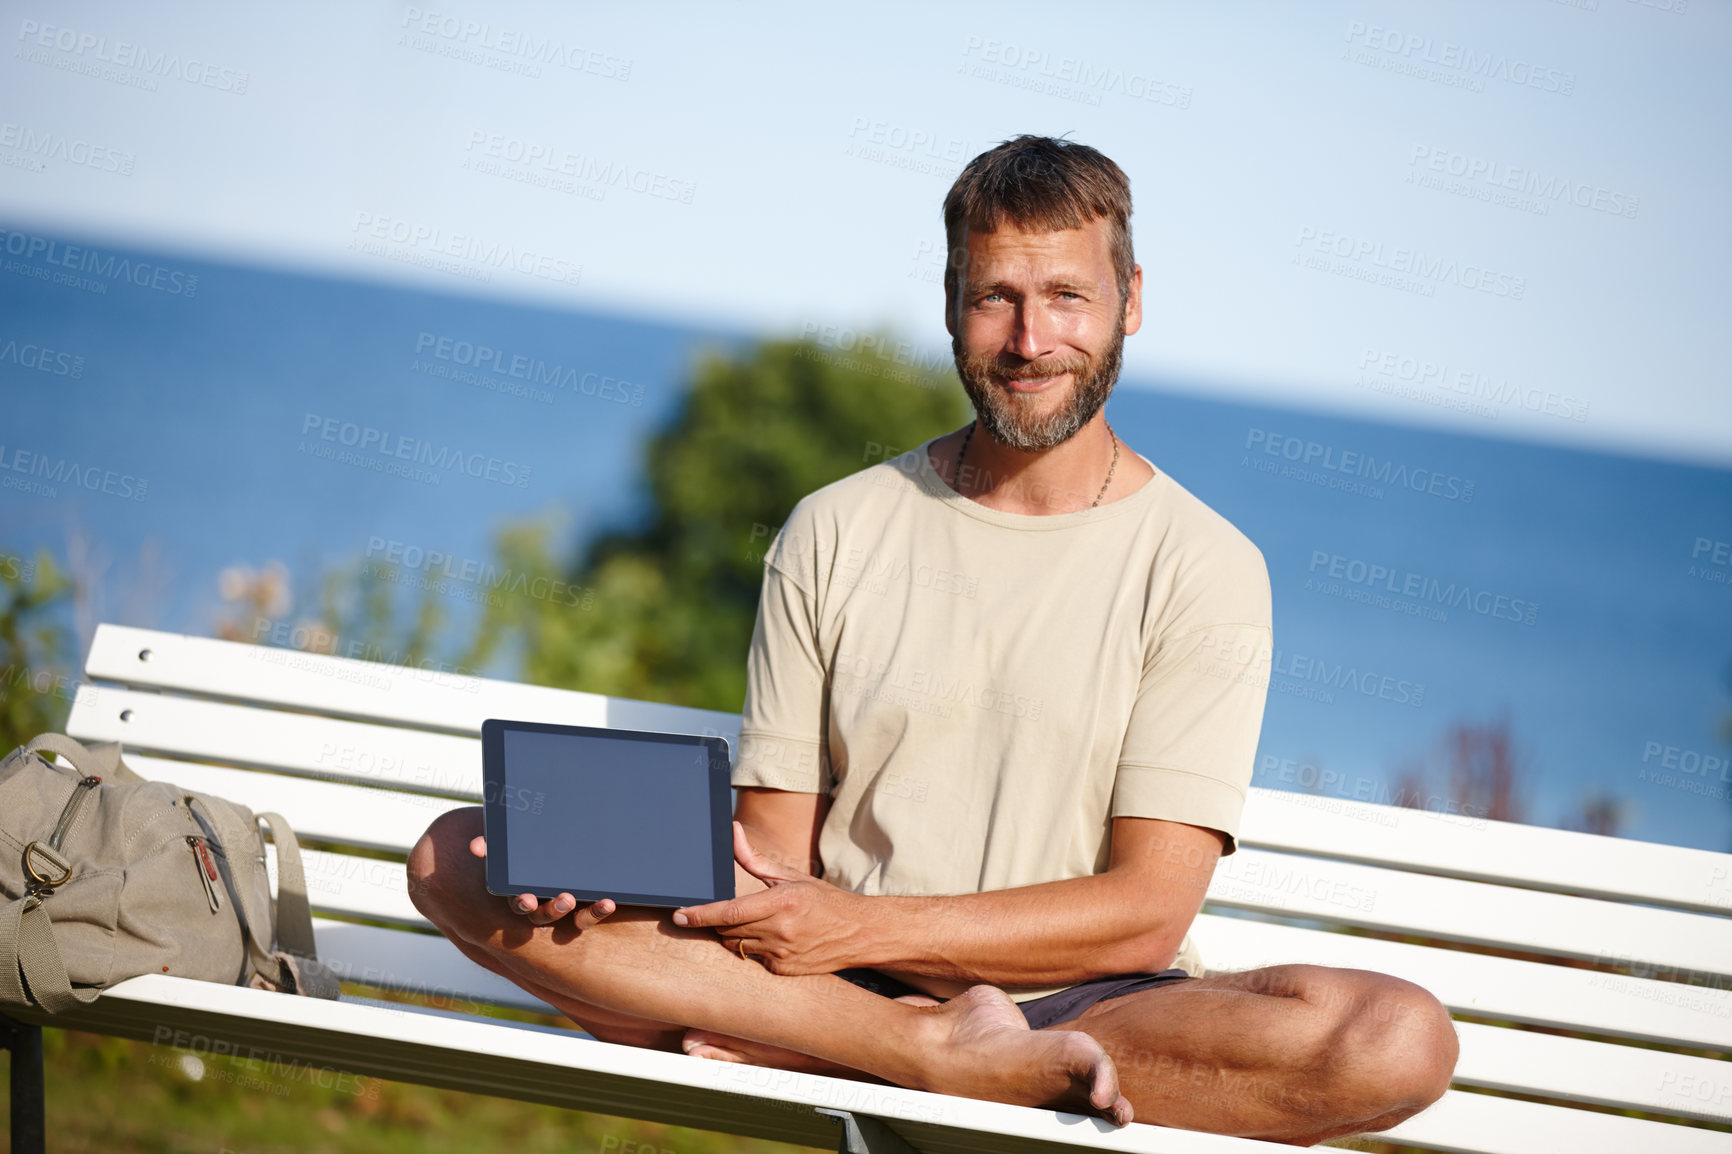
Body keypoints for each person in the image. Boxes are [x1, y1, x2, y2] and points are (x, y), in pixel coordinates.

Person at [408, 135, 1458, 1144]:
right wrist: (607, 873)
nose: (1029, 339)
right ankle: (916, 1051)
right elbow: (772, 856)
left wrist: (865, 927)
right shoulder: (836, 525)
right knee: (458, 855)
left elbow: (1143, 912)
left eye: (1066, 297)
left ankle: (857, 1058)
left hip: (1090, 1000)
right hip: (830, 986)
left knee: (1392, 1039)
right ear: (954, 305)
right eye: (996, 295)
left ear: (1129, 303)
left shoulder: (1203, 565)